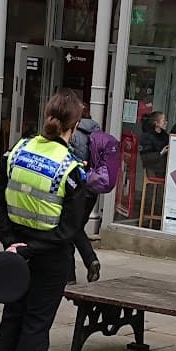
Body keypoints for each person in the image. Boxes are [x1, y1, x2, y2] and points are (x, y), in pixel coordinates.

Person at [0, 89, 87, 351]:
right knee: (36, 325)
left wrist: (9, 242)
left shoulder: (17, 151)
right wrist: (34, 248)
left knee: (12, 319)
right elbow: (69, 228)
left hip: (15, 249)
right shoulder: (71, 169)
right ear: (74, 125)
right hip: (48, 254)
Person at [66, 112, 102, 284]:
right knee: (76, 228)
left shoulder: (73, 133)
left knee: (69, 230)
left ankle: (69, 277)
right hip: (92, 190)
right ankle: (90, 260)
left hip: (77, 188)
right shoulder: (97, 132)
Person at [139, 111, 169, 177]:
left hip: (164, 169)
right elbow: (145, 158)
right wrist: (161, 152)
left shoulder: (166, 136)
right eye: (164, 121)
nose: (166, 122)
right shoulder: (146, 137)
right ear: (156, 123)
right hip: (154, 171)